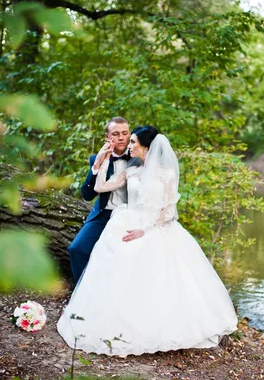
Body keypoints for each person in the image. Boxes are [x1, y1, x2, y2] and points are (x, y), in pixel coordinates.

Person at [57, 126, 237, 356]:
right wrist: (100, 162)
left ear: (146, 147)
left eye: (133, 142)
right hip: (128, 220)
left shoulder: (167, 173)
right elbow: (101, 187)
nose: (128, 146)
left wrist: (145, 230)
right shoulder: (132, 170)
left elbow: (169, 211)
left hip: (156, 226)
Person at [67, 117, 139, 284]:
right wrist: (98, 164)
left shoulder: (138, 157)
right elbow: (87, 195)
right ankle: (83, 293)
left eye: (125, 133)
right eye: (115, 134)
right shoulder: (96, 159)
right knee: (76, 249)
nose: (121, 137)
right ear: (107, 137)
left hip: (130, 216)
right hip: (103, 215)